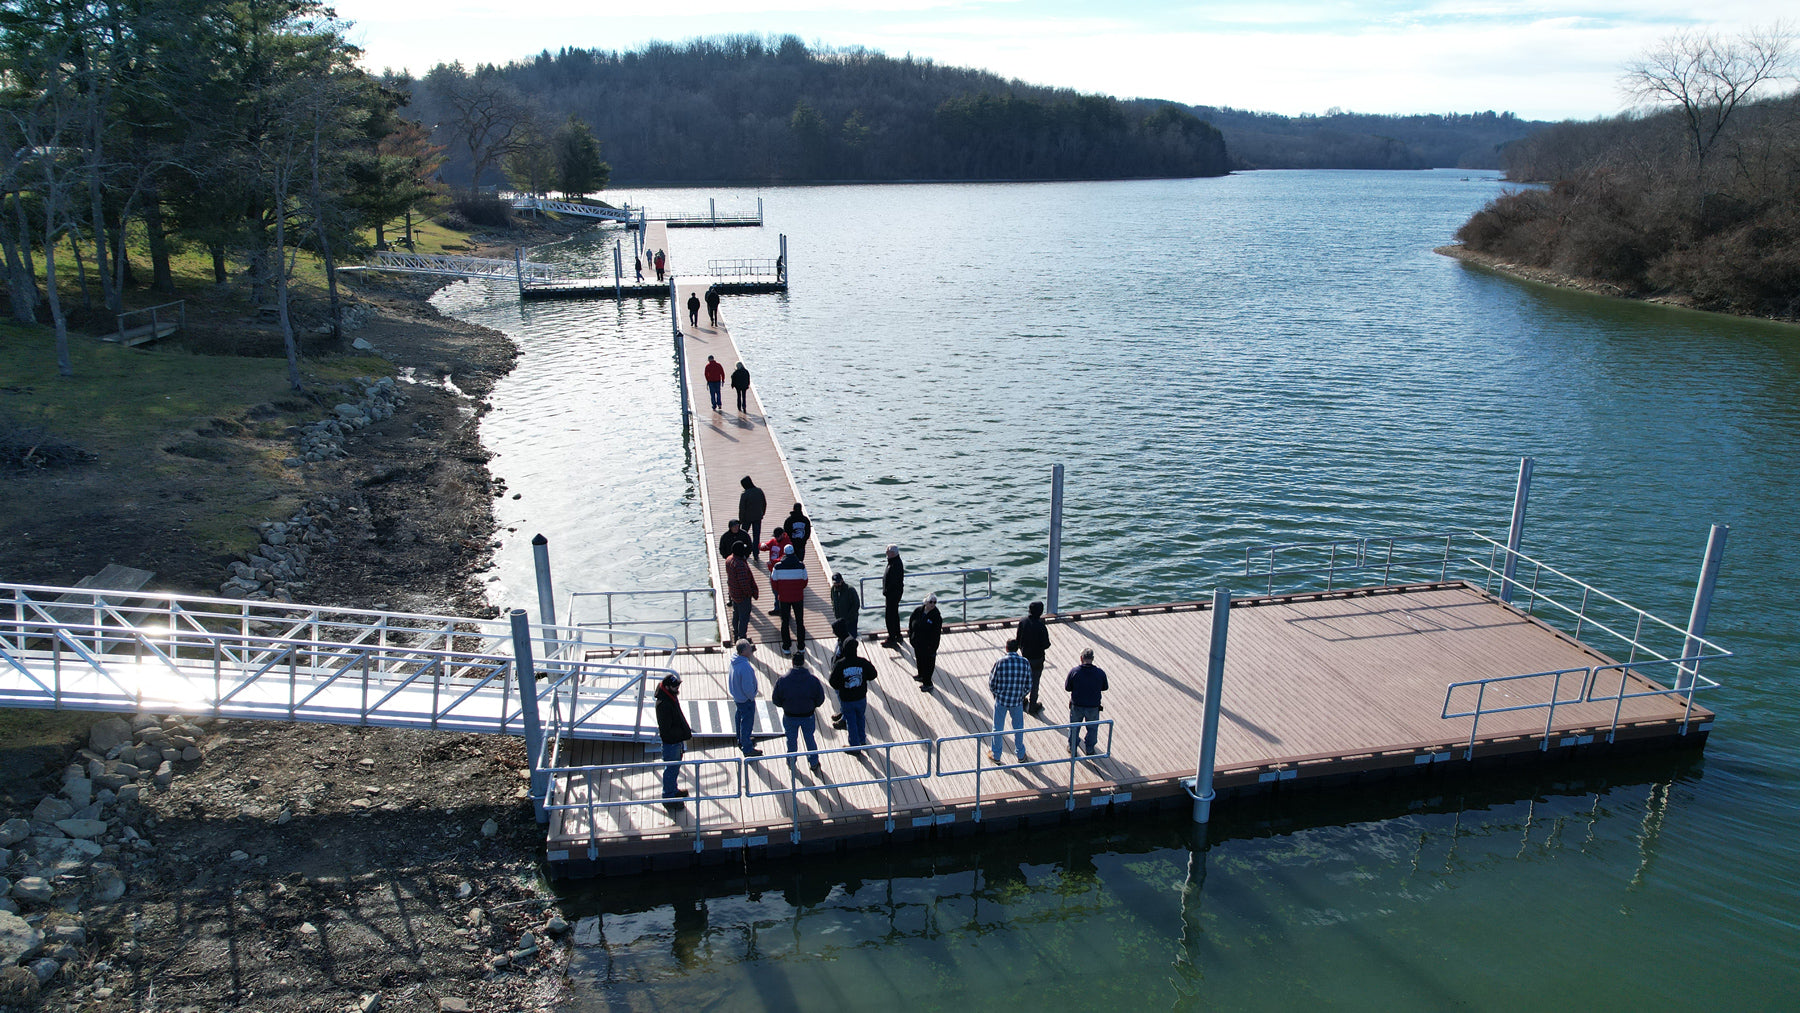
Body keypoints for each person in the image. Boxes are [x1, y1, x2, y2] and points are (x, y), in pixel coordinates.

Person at [771, 659, 825, 773]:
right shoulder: (813, 680)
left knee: (791, 740)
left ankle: (791, 761)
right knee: (810, 739)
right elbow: (820, 698)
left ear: (792, 663)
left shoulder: (783, 680)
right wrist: (813, 706)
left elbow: (776, 699)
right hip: (808, 715)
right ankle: (814, 762)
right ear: (804, 663)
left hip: (790, 716)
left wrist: (785, 706)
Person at [828, 640, 878, 755]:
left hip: (847, 699)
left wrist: (841, 686)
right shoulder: (862, 662)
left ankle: (854, 746)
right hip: (861, 698)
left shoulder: (840, 664)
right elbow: (873, 674)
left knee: (851, 721)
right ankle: (862, 740)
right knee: (860, 717)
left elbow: (832, 681)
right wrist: (864, 678)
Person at [988, 639, 1032, 764]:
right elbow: (1029, 684)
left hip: (1001, 700)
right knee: (1018, 728)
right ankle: (1020, 754)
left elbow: (992, 683)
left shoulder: (1000, 662)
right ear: (1017, 648)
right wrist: (1021, 695)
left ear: (1006, 648)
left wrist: (997, 694)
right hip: (1017, 701)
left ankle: (996, 755)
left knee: (997, 728)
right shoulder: (1025, 662)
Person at [654, 674, 692, 805]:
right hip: (671, 744)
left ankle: (673, 791)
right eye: (675, 686)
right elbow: (666, 731)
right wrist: (682, 734)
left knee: (674, 769)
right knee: (671, 769)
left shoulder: (670, 697)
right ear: (667, 687)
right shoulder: (663, 704)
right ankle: (669, 797)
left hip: (676, 742)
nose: (677, 688)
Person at [1065, 647, 1108, 756]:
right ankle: (1089, 749)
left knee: (1074, 728)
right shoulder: (1100, 673)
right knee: (1092, 729)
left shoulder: (1074, 672)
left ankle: (1072, 747)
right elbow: (1105, 687)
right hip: (1093, 706)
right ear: (1092, 658)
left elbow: (1067, 687)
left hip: (1077, 705)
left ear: (1081, 658)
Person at [771, 544, 809, 655]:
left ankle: (786, 646)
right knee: (799, 622)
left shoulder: (777, 566)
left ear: (784, 553)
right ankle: (801, 646)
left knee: (785, 622)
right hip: (798, 597)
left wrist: (781, 590)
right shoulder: (801, 566)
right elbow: (805, 582)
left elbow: (774, 582)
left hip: (784, 598)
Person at [1017, 601, 1052, 716]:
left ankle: (1021, 700)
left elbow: (1018, 640)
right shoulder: (1041, 626)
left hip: (1025, 657)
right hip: (1037, 659)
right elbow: (1046, 644)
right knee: (1035, 682)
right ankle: (1032, 706)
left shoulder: (1023, 622)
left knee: (1023, 680)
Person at [729, 639, 762, 756]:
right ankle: (747, 748)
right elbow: (747, 687)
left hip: (738, 697)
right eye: (749, 647)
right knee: (746, 722)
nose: (751, 648)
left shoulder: (734, 661)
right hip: (745, 699)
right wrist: (752, 696)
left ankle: (741, 740)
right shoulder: (745, 667)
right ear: (743, 651)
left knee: (739, 718)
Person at [908, 593, 944, 692]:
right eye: (930, 602)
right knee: (919, 659)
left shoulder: (936, 616)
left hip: (928, 645)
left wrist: (933, 647)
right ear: (926, 602)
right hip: (917, 642)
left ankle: (928, 683)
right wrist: (911, 636)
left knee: (928, 664)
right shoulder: (918, 611)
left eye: (934, 602)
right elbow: (911, 623)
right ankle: (920, 675)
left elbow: (936, 634)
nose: (932, 604)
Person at [725, 545, 759, 643]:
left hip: (733, 593)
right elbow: (744, 583)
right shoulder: (739, 564)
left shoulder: (729, 559)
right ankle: (742, 638)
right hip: (742, 595)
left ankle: (736, 633)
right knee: (744, 617)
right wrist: (750, 593)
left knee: (736, 614)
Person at [881, 545, 904, 648]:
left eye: (888, 552)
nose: (886, 554)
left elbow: (893, 582)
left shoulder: (895, 564)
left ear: (893, 553)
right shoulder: (894, 562)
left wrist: (887, 591)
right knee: (894, 614)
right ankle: (898, 634)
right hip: (893, 593)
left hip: (892, 595)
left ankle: (892, 638)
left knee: (890, 616)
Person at [830, 572, 860, 646]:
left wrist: (848, 617)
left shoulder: (850, 590)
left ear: (842, 580)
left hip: (851, 620)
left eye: (838, 582)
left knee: (852, 639)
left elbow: (856, 605)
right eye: (835, 583)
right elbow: (832, 600)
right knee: (841, 639)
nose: (837, 584)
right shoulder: (833, 589)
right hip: (840, 620)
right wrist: (835, 611)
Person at [738, 476, 767, 544]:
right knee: (756, 536)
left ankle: (743, 549)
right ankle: (756, 552)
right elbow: (764, 503)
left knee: (743, 535)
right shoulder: (759, 491)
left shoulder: (744, 494)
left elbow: (742, 508)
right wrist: (762, 513)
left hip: (746, 519)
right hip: (758, 517)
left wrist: (741, 520)